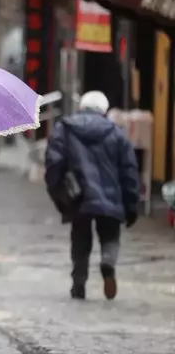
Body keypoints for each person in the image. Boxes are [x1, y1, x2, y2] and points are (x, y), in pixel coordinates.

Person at [45, 91, 140, 301]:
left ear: (82, 107)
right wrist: (132, 204)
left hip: (79, 195)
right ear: (105, 111)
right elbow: (129, 171)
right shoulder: (117, 133)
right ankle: (108, 262)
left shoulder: (65, 129)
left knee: (80, 238)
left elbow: (53, 163)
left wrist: (59, 193)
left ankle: (78, 282)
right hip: (111, 197)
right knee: (110, 235)